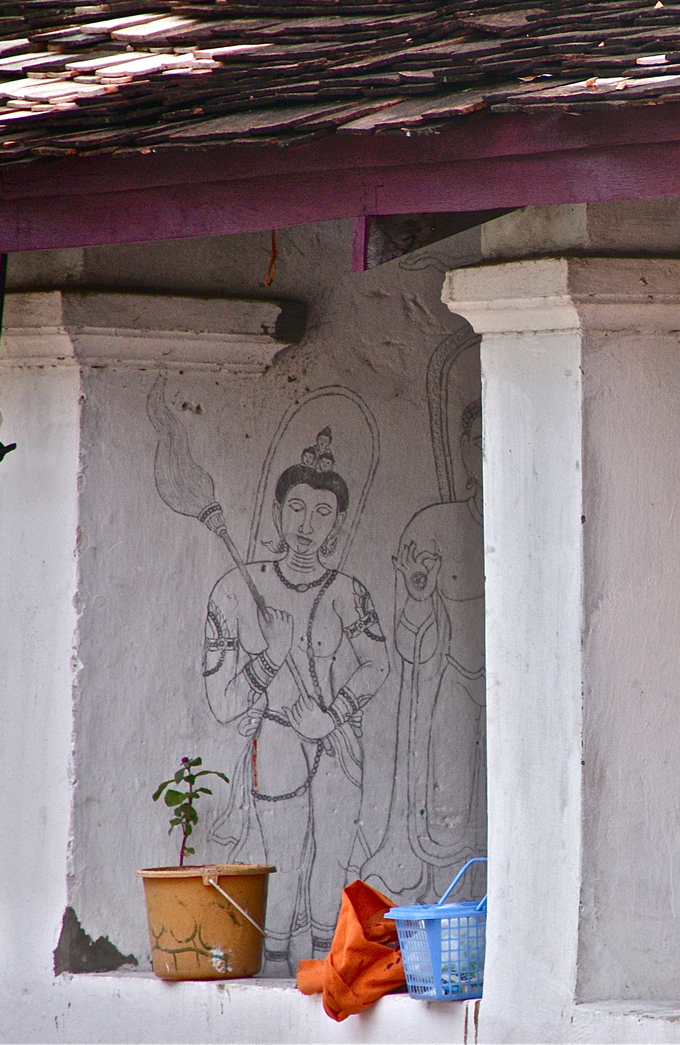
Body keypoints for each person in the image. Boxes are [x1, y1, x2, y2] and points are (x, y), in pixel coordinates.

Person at [203, 427, 388, 970]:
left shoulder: (348, 592)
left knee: (331, 865)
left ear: (337, 524)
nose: (308, 526)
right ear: (279, 512)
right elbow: (223, 700)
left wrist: (332, 715)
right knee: (280, 869)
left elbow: (376, 663)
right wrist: (268, 658)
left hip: (333, 744)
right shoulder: (237, 589)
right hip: (279, 743)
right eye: (298, 509)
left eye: (324, 513)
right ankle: (280, 982)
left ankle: (330, 979)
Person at [360, 402, 487, 901]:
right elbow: (408, 649)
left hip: (514, 701)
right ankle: (452, 932)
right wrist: (417, 599)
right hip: (451, 696)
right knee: (447, 830)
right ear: (462, 451)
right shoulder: (434, 527)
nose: (486, 452)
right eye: (477, 442)